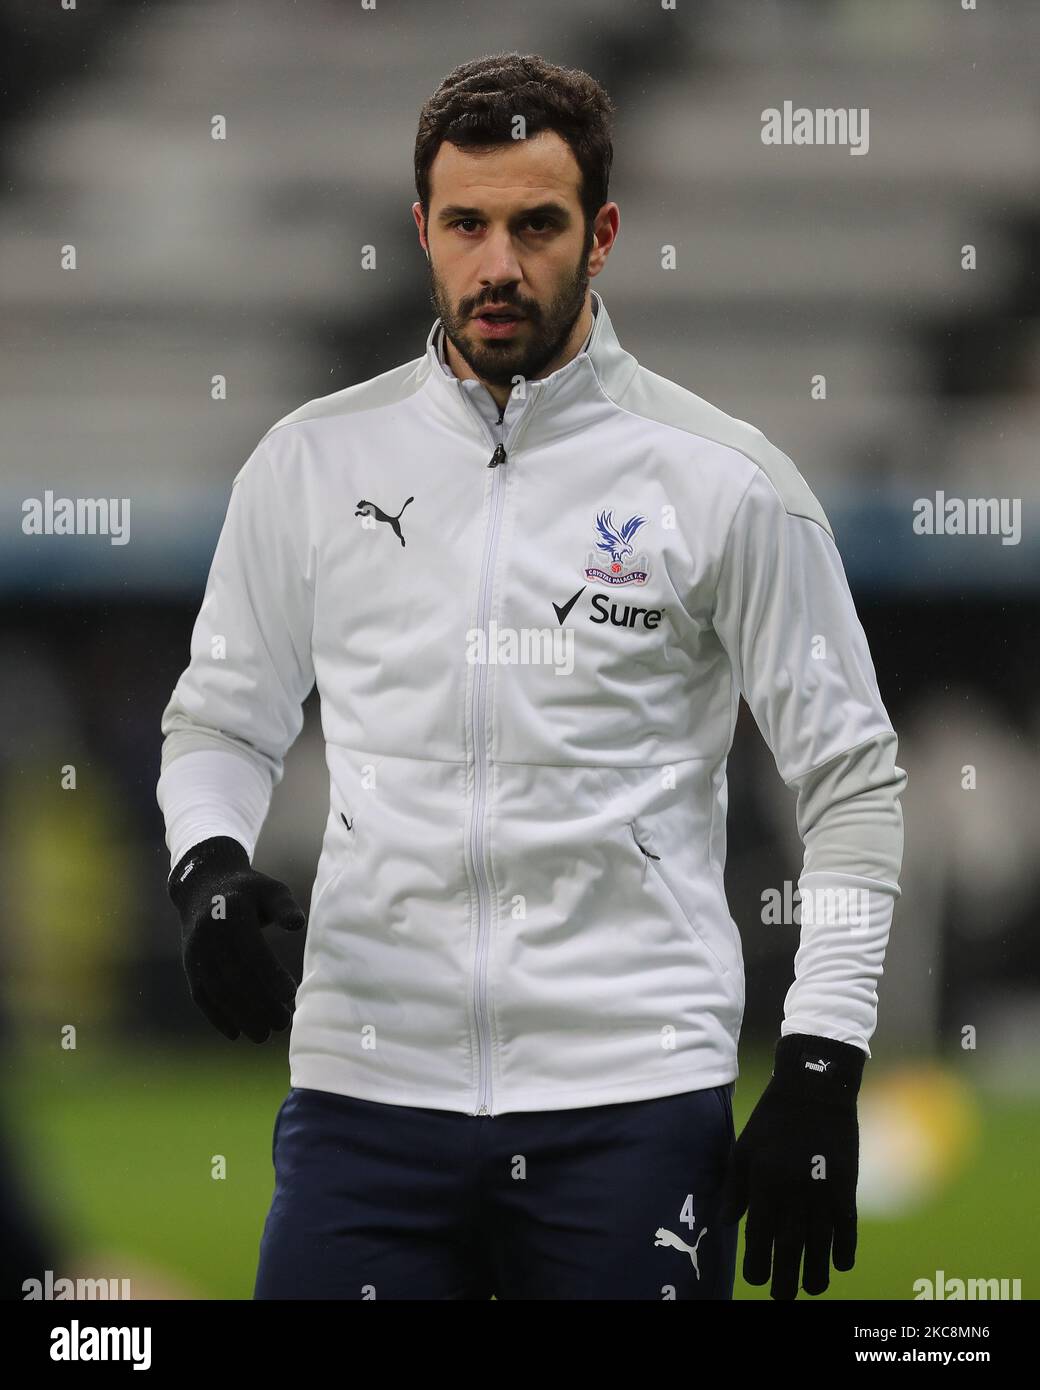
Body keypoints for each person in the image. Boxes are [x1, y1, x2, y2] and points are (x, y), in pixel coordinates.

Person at [157, 52, 906, 1301]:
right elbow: (220, 721)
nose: (496, 263)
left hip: (629, 1098)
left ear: (600, 234)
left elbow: (852, 785)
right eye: (465, 224)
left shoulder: (724, 481)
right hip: (366, 1088)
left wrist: (822, 1062)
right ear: (421, 232)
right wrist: (207, 870)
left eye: (534, 225)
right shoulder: (306, 461)